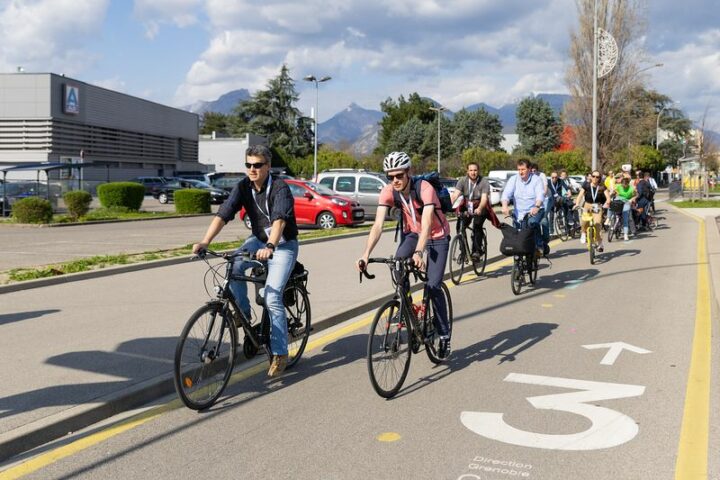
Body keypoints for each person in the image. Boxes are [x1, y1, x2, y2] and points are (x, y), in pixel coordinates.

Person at [192, 145, 299, 377]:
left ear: (268, 166)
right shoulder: (243, 187)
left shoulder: (280, 187)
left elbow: (280, 220)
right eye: (248, 165)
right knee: (235, 265)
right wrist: (205, 242)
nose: (252, 169)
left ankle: (280, 353)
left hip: (282, 245)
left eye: (258, 165)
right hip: (258, 241)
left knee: (272, 296)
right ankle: (245, 316)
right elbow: (223, 214)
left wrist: (271, 245)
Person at [356, 151, 453, 359]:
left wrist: (419, 252)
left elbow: (427, 223)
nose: (395, 180)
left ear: (408, 172)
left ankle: (444, 334)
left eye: (399, 175)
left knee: (433, 285)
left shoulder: (424, 188)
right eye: (390, 177)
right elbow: (378, 225)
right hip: (412, 234)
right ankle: (409, 310)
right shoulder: (389, 192)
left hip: (437, 236)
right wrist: (365, 255)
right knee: (398, 266)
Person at [501, 159, 547, 256]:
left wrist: (537, 206)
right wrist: (505, 206)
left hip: (535, 210)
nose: (520, 172)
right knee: (517, 235)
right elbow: (506, 194)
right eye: (519, 169)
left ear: (529, 169)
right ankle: (518, 262)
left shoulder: (536, 180)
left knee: (531, 223)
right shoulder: (514, 179)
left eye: (523, 169)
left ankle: (539, 244)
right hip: (519, 213)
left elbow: (540, 195)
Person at [451, 162, 490, 259]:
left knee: (477, 225)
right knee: (460, 226)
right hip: (468, 205)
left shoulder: (483, 181)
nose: (473, 172)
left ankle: (476, 251)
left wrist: (480, 209)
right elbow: (455, 195)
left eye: (475, 170)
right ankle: (463, 251)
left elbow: (484, 198)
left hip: (481, 205)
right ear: (467, 171)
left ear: (478, 171)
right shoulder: (463, 181)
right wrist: (447, 206)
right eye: (471, 170)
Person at [575, 170, 609, 252]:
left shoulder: (602, 187)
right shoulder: (586, 185)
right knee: (584, 221)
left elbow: (608, 197)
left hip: (597, 206)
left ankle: (600, 243)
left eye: (597, 177)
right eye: (593, 176)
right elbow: (580, 195)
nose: (595, 178)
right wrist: (576, 204)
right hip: (587, 205)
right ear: (591, 177)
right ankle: (583, 233)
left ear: (599, 178)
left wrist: (607, 202)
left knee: (597, 225)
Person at [613, 176, 637, 241]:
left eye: (625, 185)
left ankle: (625, 235)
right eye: (622, 185)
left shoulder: (631, 188)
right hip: (619, 201)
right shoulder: (618, 186)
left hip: (627, 202)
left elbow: (636, 195)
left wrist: (631, 199)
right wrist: (614, 193)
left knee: (626, 218)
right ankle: (610, 220)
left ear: (627, 184)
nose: (623, 186)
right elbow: (613, 191)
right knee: (612, 207)